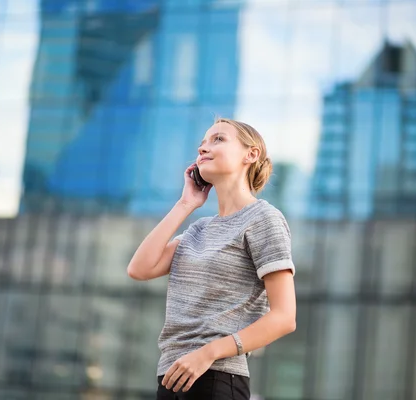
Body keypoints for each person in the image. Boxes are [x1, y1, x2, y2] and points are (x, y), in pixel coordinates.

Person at [127, 118, 297, 399]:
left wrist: (208, 353)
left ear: (251, 154)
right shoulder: (199, 229)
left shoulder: (263, 219)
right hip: (171, 378)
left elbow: (284, 318)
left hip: (217, 377)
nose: (203, 148)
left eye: (218, 139)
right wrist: (186, 204)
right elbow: (139, 268)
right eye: (202, 143)